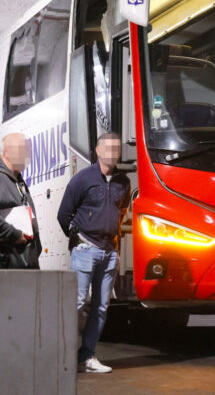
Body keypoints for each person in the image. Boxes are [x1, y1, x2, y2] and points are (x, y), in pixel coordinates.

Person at [57, 133, 130, 374]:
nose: (112, 152)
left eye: (116, 148)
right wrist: (78, 240)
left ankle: (86, 357)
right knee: (76, 304)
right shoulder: (82, 179)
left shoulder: (123, 181)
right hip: (86, 249)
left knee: (101, 307)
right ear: (98, 150)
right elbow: (64, 214)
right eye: (108, 148)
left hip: (110, 252)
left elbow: (122, 211)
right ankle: (63, 356)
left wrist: (114, 239)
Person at [0, 133, 40, 269]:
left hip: (26, 260)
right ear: (7, 152)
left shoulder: (18, 180)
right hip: (9, 263)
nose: (26, 156)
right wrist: (14, 234)